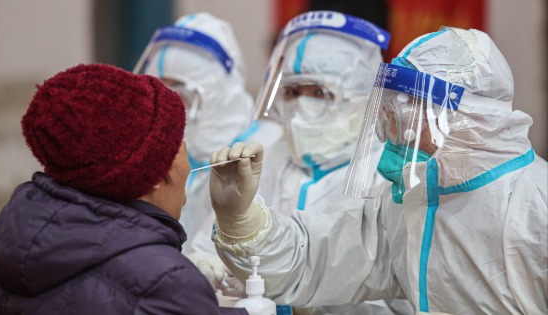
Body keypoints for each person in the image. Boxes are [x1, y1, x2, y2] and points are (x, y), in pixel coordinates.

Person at [207, 27, 548, 314]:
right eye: (386, 112)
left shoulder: (535, 206)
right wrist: (242, 223)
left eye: (403, 114)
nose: (390, 130)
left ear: (466, 118)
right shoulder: (407, 204)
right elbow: (314, 259)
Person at [0, 64, 248, 315]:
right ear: (157, 173)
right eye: (179, 141)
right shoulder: (164, 282)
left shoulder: (10, 243)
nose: (189, 159)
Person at [252, 10, 413, 314]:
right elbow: (213, 250)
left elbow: (404, 297)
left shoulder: (388, 173)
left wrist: (323, 306)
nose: (301, 104)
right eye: (292, 91)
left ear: (360, 96)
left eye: (319, 92)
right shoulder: (269, 155)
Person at [134, 12, 282, 298]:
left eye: (181, 99)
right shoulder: (145, 157)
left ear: (218, 97)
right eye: (160, 97)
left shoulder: (261, 151)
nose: (169, 114)